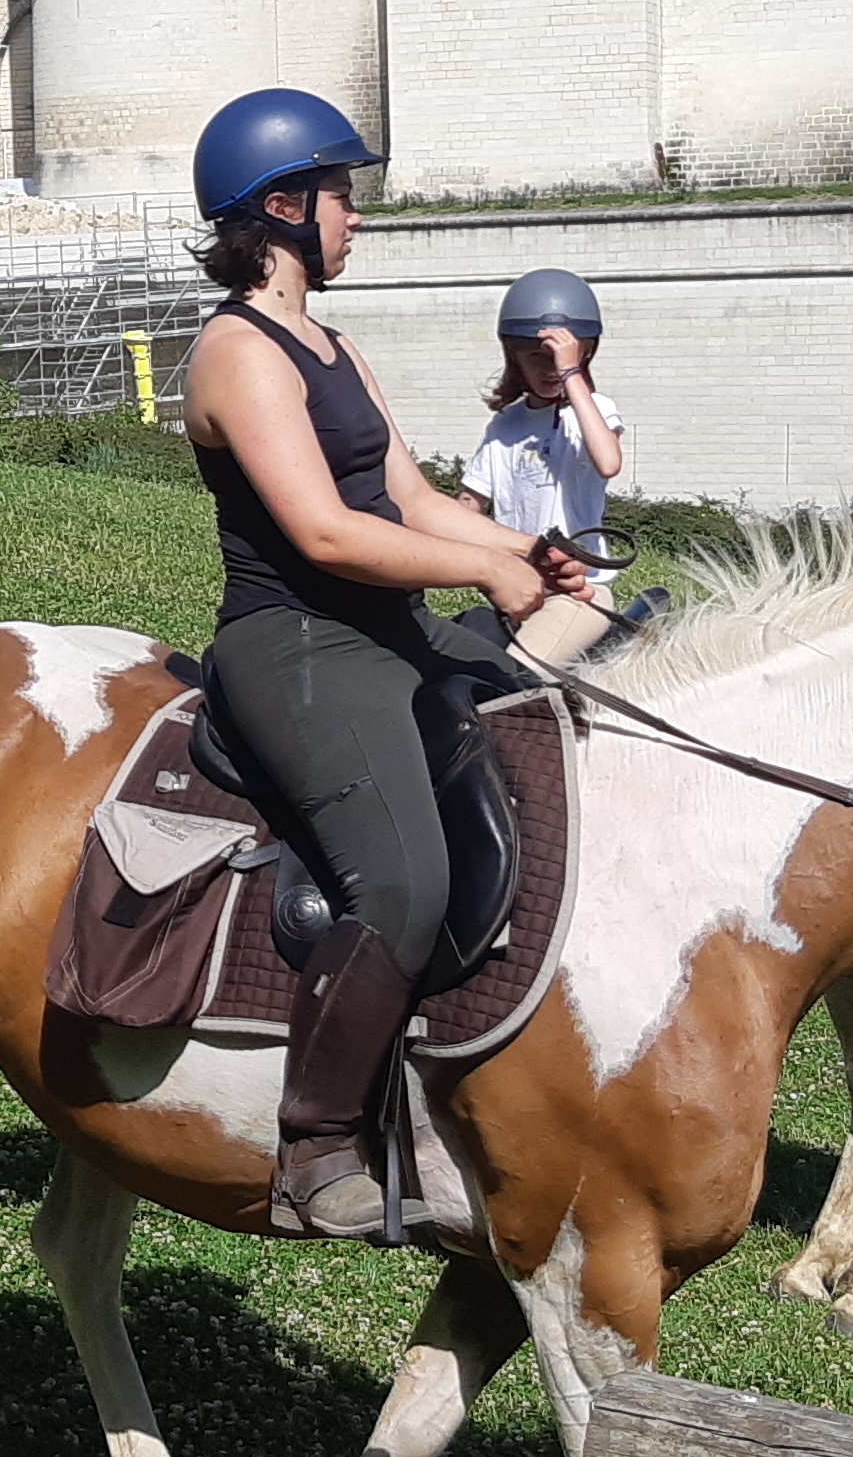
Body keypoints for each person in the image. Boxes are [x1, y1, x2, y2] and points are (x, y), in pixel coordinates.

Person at [179, 88, 587, 1239]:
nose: (356, 216)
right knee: (400, 880)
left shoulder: (332, 343)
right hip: (298, 642)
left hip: (387, 623)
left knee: (558, 735)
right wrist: (483, 581)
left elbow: (403, 496)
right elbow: (321, 531)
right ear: (282, 208)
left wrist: (524, 551)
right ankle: (314, 1148)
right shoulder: (235, 351)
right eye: (341, 194)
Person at [472, 266, 628, 546]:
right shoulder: (506, 423)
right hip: (519, 573)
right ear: (514, 357)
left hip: (582, 578)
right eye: (536, 357)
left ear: (586, 353)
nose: (550, 369)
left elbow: (608, 463)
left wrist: (571, 373)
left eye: (557, 357)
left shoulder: (595, 410)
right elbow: (471, 500)